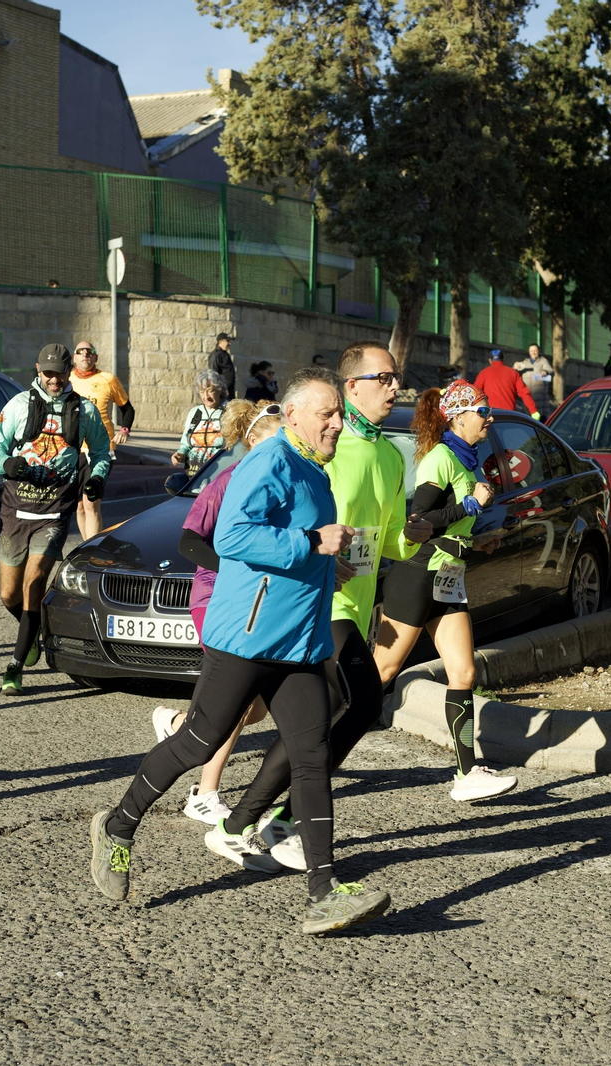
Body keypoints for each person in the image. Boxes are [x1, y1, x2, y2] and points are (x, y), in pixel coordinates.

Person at [90, 367, 391, 935]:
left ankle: (324, 892)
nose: (336, 422)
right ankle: (120, 825)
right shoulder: (270, 461)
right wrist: (311, 542)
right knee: (198, 740)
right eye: (327, 413)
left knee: (312, 752)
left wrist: (328, 562)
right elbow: (230, 537)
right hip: (248, 635)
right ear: (294, 414)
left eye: (337, 413)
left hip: (297, 639)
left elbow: (292, 549)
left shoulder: (313, 469)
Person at [211, 341, 434, 872]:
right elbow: (282, 520)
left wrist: (418, 534)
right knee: (342, 711)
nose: (395, 387)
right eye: (385, 378)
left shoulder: (387, 453)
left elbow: (389, 545)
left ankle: (247, 823)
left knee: (349, 710)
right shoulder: (324, 448)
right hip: (313, 602)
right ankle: (266, 823)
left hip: (354, 606)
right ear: (351, 386)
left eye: (396, 378)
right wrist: (311, 547)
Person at [371, 380, 519, 801]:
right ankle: (311, 742)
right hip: (416, 576)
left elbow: (449, 529)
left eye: (487, 410)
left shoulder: (468, 462)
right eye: (482, 411)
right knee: (379, 674)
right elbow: (418, 520)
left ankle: (467, 773)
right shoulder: (440, 458)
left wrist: (476, 540)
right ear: (457, 417)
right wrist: (470, 505)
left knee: (465, 672)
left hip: (447, 579)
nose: (489, 418)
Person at [151, 398, 284, 823]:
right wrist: (237, 569)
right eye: (280, 440)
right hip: (218, 596)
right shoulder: (226, 480)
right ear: (253, 441)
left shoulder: (280, 479)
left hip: (258, 599)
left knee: (256, 707)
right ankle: (204, 793)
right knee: (239, 699)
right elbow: (189, 542)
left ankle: (176, 727)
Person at [0, 344, 112, 695]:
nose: (54, 380)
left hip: (55, 511)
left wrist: (97, 477)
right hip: (16, 510)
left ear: (69, 371)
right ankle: (35, 630)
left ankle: (14, 667)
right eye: (48, 373)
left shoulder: (84, 410)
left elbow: (102, 452)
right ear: (38, 370)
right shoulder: (18, 405)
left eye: (60, 373)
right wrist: (6, 464)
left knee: (34, 582)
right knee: (9, 594)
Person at [68, 339, 134, 539]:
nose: (85, 355)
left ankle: (91, 551)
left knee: (91, 501)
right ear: (74, 357)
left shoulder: (108, 379)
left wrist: (124, 430)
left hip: (100, 448)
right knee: (78, 506)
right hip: (73, 448)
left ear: (95, 357)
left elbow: (127, 408)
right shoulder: (67, 379)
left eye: (89, 352)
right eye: (81, 352)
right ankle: (86, 546)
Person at [171, 371, 228, 471]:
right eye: (202, 392)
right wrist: (180, 454)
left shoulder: (229, 412)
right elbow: (186, 443)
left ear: (220, 391)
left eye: (210, 391)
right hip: (194, 471)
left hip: (219, 470)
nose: (206, 396)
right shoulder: (195, 413)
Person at [473, 348, 539, 417]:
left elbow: (475, 393)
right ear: (503, 359)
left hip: (489, 414)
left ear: (490, 360)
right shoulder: (513, 373)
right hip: (508, 415)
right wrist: (534, 411)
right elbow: (524, 393)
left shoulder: (483, 373)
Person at [516, 343, 555, 416]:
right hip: (528, 398)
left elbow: (551, 371)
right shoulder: (525, 363)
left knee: (540, 420)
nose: (533, 353)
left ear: (539, 351)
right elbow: (514, 373)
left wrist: (545, 372)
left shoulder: (543, 361)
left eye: (535, 351)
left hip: (540, 399)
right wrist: (515, 367)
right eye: (531, 351)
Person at [208, 332, 236, 400]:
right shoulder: (216, 355)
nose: (230, 343)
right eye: (228, 341)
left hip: (229, 391)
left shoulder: (225, 355)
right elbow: (213, 375)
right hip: (222, 393)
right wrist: (220, 389)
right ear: (220, 342)